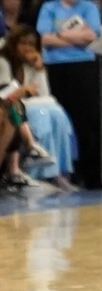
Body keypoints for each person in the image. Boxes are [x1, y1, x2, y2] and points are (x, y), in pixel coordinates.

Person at [35, 0, 102, 189]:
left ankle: (91, 176)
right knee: (56, 120)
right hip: (56, 69)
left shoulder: (88, 8)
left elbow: (91, 36)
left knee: (86, 123)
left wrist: (59, 36)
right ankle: (57, 172)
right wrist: (74, 37)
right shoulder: (49, 8)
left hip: (83, 68)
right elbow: (45, 39)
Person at [0, 25, 78, 190]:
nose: (27, 48)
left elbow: (43, 94)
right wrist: (23, 91)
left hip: (30, 103)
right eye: (23, 43)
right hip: (14, 104)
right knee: (41, 114)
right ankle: (42, 171)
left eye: (31, 44)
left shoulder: (32, 62)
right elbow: (5, 93)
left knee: (58, 114)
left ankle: (60, 172)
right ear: (14, 44)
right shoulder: (4, 61)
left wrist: (39, 69)